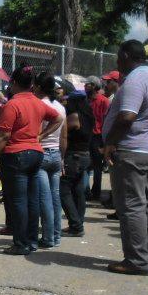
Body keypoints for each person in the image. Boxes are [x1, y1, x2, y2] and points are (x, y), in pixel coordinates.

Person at [102, 41, 148, 275]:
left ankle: (137, 260)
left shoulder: (135, 81)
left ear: (127, 55)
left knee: (131, 207)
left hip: (131, 151)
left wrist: (110, 142)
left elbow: (127, 116)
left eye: (119, 56)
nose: (117, 60)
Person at [0, 64, 61, 255]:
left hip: (17, 155)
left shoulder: (13, 104)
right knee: (32, 200)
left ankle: (20, 243)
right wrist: (41, 136)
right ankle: (31, 241)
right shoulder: (37, 102)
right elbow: (58, 118)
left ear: (14, 83)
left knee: (17, 201)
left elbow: (3, 137)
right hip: (36, 154)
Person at [35, 73, 67, 248]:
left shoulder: (40, 105)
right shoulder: (60, 107)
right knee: (55, 197)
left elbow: (37, 131)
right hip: (56, 154)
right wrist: (62, 158)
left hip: (43, 153)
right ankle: (56, 235)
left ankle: (48, 237)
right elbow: (64, 136)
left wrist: (40, 137)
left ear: (39, 87)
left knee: (44, 198)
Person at [60, 88, 94, 237]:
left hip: (74, 157)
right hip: (85, 155)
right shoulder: (88, 116)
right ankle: (78, 223)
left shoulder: (74, 117)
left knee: (63, 190)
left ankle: (75, 224)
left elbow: (63, 134)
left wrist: (61, 156)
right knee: (78, 190)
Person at [84, 75, 110, 201]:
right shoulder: (86, 100)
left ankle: (96, 192)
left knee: (97, 166)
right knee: (86, 165)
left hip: (98, 136)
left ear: (93, 86)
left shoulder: (104, 101)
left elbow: (106, 120)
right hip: (87, 135)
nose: (85, 86)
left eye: (87, 84)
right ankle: (85, 190)